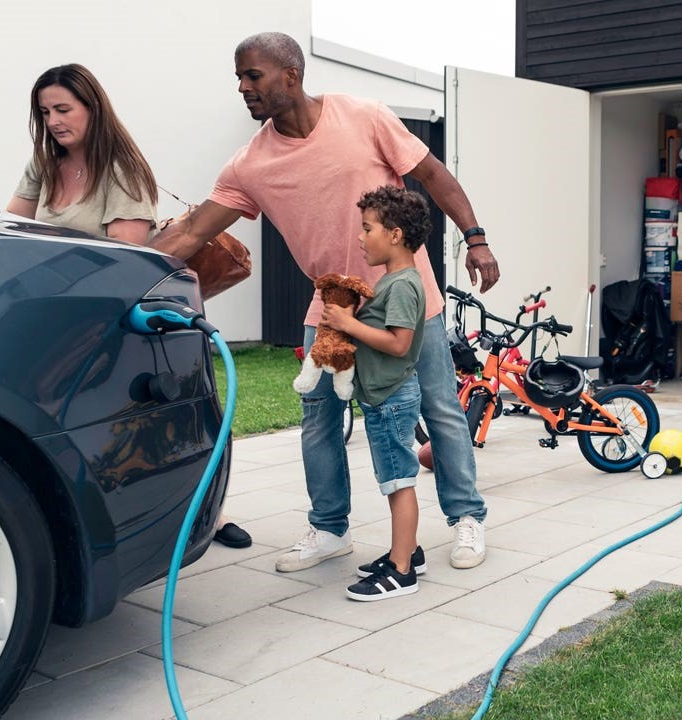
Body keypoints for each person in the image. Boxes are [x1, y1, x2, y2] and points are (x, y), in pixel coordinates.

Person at [148, 32, 496, 572]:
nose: (243, 87)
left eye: (253, 76)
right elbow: (194, 229)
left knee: (440, 408)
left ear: (291, 74)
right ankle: (330, 528)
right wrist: (120, 268)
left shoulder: (365, 116)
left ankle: (466, 516)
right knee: (319, 416)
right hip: (331, 306)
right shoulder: (250, 165)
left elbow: (432, 175)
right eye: (239, 78)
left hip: (406, 296)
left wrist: (475, 238)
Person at [5, 63, 253, 549]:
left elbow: (127, 260)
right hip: (62, 311)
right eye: (44, 111)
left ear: (92, 108)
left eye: (63, 109)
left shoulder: (122, 170)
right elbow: (11, 227)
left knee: (163, 421)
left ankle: (210, 509)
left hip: (116, 312)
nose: (53, 120)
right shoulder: (43, 163)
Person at [324, 186, 430, 600]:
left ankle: (402, 572)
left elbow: (399, 343)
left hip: (391, 398)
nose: (360, 237)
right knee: (394, 478)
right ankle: (409, 551)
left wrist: (349, 325)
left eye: (367, 228)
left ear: (395, 234)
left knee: (399, 481)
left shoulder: (402, 285)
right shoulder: (392, 281)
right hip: (386, 396)